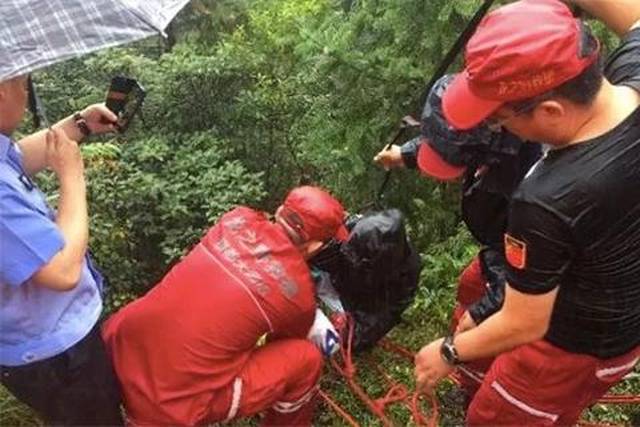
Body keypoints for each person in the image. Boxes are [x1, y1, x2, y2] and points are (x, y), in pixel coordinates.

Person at [414, 0, 640, 425]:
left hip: (569, 350)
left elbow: (523, 324)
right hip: (614, 300)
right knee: (475, 284)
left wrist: (446, 352)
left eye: (499, 119)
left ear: (551, 111)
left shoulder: (547, 200)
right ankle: (478, 381)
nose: (499, 129)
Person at [102, 186, 349, 426]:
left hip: (113, 349)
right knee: (305, 360)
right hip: (165, 406)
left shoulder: (236, 218)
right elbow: (283, 343)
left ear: (280, 209)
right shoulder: (297, 292)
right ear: (315, 246)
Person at [374, 73, 541, 395]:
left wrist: (465, 336)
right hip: (502, 246)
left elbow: (526, 277)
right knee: (470, 287)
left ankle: (483, 389)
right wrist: (405, 155)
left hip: (535, 280)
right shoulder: (499, 123)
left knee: (493, 336)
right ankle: (473, 378)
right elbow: (456, 134)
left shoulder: (538, 191)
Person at [0, 74, 123, 425]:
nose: (25, 94)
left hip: (49, 339)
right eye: (22, 85)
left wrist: (80, 125)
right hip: (53, 353)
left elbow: (17, 158)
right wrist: (72, 177)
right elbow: (62, 271)